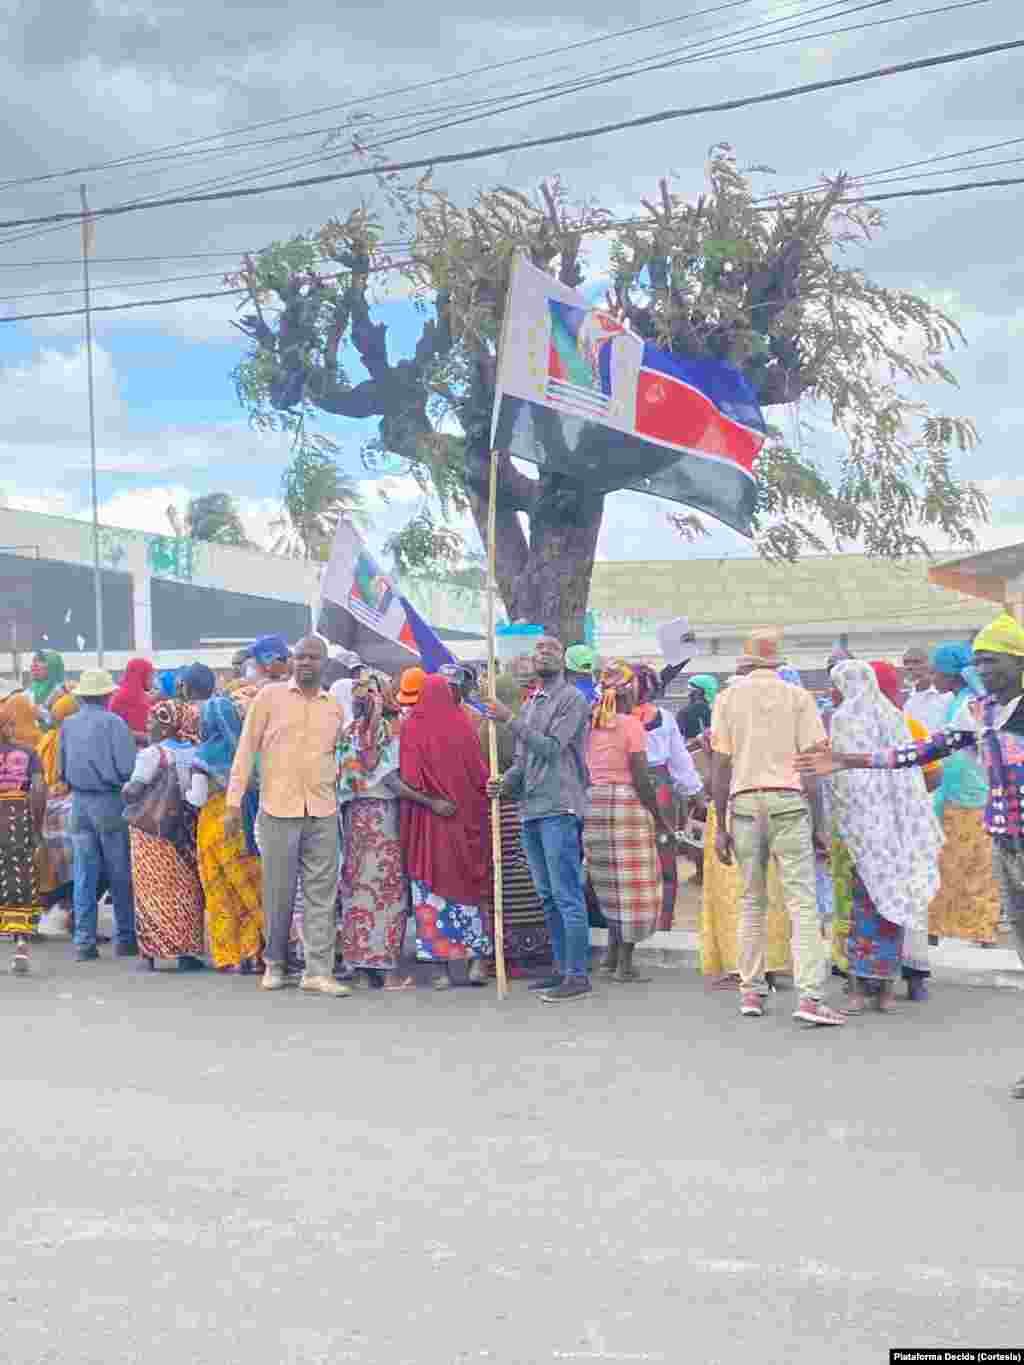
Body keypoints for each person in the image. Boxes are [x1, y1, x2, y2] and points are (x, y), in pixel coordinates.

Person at [796, 612, 1024, 1086]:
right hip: (1006, 843)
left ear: (1019, 662)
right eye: (979, 662)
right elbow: (922, 752)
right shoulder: (980, 711)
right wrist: (847, 759)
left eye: (993, 661)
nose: (984, 670)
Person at [710, 628, 845, 1025]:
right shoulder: (799, 698)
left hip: (745, 804)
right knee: (802, 903)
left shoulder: (727, 698)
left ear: (746, 662)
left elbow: (720, 766)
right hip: (789, 802)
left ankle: (751, 991)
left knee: (752, 900)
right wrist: (819, 824)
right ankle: (810, 997)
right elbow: (811, 768)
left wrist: (721, 825)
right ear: (777, 661)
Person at [226, 635, 349, 997]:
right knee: (279, 892)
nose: (305, 662)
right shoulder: (270, 697)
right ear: (292, 661)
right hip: (278, 809)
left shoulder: (333, 707)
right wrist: (233, 802)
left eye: (313, 657)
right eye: (300, 657)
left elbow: (341, 754)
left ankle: (318, 970)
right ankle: (275, 963)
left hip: (323, 809)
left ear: (325, 663)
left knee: (322, 894)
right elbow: (246, 749)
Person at [825, 661, 942, 1013]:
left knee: (867, 910)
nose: (835, 692)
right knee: (881, 908)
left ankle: (865, 991)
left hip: (869, 829)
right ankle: (878, 991)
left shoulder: (849, 721)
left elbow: (841, 776)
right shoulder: (894, 719)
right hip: (886, 830)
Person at [483, 636, 592, 1003]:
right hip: (530, 808)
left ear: (563, 660)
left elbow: (551, 748)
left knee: (566, 894)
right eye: (539, 649)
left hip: (559, 805)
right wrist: (504, 783)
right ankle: (561, 968)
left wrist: (508, 719)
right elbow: (523, 760)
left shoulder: (572, 699)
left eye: (551, 649)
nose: (544, 653)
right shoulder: (531, 703)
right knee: (546, 896)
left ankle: (578, 975)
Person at [337, 670, 429, 990]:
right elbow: (391, 780)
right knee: (388, 893)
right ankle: (389, 972)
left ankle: (362, 969)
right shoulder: (387, 730)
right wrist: (427, 800)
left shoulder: (348, 732)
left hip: (354, 817)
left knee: (357, 892)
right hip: (383, 816)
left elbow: (345, 781)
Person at [586, 663, 675, 983]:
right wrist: (661, 820)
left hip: (595, 805)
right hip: (626, 806)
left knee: (609, 886)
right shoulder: (631, 725)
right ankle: (624, 965)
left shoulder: (592, 723)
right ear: (630, 691)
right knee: (635, 889)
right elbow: (640, 777)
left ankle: (610, 958)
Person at [401, 673, 492, 989]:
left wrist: (432, 800)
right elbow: (480, 775)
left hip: (430, 821)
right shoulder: (464, 725)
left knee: (432, 892)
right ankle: (473, 965)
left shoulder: (411, 727)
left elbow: (410, 778)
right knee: (470, 888)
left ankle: (440, 970)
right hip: (464, 820)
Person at [925, 641, 1001, 950]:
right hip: (966, 793)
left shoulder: (967, 703)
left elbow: (958, 754)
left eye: (935, 671)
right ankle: (966, 926)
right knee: (961, 863)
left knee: (966, 864)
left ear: (950, 673)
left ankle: (977, 927)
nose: (932, 676)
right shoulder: (960, 700)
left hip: (968, 796)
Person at [59, 669, 138, 961]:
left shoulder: (68, 725)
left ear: (82, 697)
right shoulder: (115, 723)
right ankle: (125, 939)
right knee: (119, 872)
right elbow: (127, 768)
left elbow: (62, 769)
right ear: (107, 696)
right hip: (109, 801)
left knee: (84, 874)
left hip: (79, 803)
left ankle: (84, 942)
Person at [123, 700, 206, 971]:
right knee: (186, 889)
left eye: (153, 721)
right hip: (186, 830)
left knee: (150, 891)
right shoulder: (196, 752)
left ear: (168, 726)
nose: (148, 725)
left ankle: (149, 954)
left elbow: (134, 791)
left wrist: (124, 790)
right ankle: (186, 954)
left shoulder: (152, 754)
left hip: (152, 835)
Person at [189, 695, 264, 973]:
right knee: (248, 889)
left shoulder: (203, 756)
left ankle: (228, 956)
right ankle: (254, 952)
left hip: (214, 827)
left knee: (219, 890)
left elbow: (197, 798)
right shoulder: (247, 752)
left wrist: (184, 791)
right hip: (245, 823)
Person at [484, 672, 553, 970]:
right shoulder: (522, 726)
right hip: (522, 806)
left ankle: (506, 951)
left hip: (494, 810)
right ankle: (538, 949)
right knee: (530, 878)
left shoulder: (483, 728)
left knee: (504, 882)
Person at [633, 664, 702, 931]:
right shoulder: (665, 718)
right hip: (661, 792)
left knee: (632, 858)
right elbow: (680, 761)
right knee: (664, 857)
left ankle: (636, 922)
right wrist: (695, 792)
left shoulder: (612, 717)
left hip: (627, 790)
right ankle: (663, 923)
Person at [0, 687, 47, 936]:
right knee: (21, 867)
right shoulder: (28, 752)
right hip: (17, 815)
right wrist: (37, 826)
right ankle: (21, 925)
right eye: (9, 724)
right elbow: (38, 789)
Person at [903, 644, 949, 734]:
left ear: (931, 665)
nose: (910, 667)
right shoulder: (907, 701)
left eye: (916, 662)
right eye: (906, 663)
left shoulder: (946, 695)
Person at [109, 658, 155, 742]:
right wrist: (145, 737)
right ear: (141, 675)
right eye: (150, 676)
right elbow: (115, 729)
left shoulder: (118, 696)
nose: (153, 681)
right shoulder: (122, 699)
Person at [28, 650, 65, 725]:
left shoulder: (64, 691)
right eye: (34, 661)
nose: (34, 665)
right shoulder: (29, 692)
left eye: (41, 661)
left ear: (53, 665)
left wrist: (42, 714)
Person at [678, 675, 718, 741]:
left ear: (699, 691)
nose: (688, 694)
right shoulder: (718, 710)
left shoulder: (686, 712)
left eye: (690, 690)